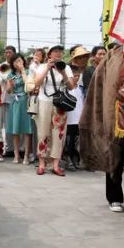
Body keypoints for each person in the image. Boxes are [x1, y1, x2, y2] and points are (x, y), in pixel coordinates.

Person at [32, 45, 76, 176]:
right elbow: (37, 83)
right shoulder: (42, 66)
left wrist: (62, 72)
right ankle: (41, 164)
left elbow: (71, 86)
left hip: (60, 103)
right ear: (49, 54)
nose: (58, 54)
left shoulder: (66, 67)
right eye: (55, 51)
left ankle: (55, 165)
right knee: (42, 133)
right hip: (44, 101)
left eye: (60, 52)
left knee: (59, 134)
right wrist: (47, 67)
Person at [62, 45, 90, 171]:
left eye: (77, 75)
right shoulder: (65, 87)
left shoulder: (81, 88)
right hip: (68, 119)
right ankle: (67, 160)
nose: (76, 77)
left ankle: (75, 159)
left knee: (76, 141)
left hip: (78, 119)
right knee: (68, 140)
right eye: (74, 75)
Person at [3, 55, 32, 164]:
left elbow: (28, 85)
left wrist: (22, 70)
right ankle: (16, 155)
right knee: (15, 130)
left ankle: (26, 156)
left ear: (23, 61)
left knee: (27, 129)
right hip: (15, 101)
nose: (17, 63)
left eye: (19, 60)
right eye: (15, 61)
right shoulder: (10, 74)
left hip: (25, 100)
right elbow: (9, 90)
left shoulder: (28, 72)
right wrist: (10, 84)